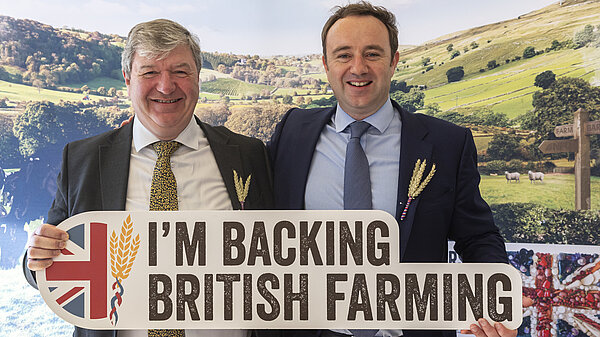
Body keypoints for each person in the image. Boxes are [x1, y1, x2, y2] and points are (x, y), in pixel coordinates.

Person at [267, 2, 514, 337]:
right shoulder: (292, 132)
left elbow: (477, 236)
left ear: (394, 61)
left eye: (372, 53)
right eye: (343, 55)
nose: (358, 67)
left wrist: (497, 298)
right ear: (325, 65)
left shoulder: (446, 144)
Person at [23, 19, 273, 337]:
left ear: (198, 77)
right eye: (150, 72)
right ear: (128, 79)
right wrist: (35, 259)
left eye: (180, 71)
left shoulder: (248, 155)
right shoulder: (83, 160)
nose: (166, 86)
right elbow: (49, 257)